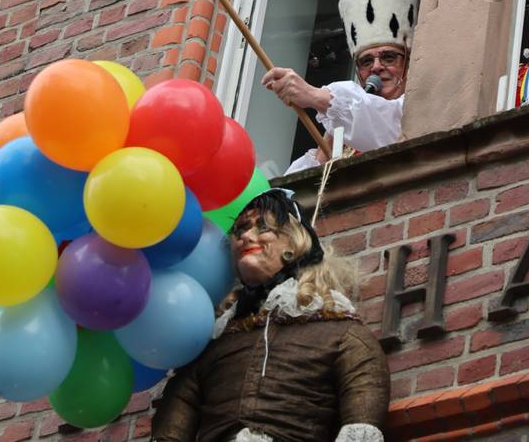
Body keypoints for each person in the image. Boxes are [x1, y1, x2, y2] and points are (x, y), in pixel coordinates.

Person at [151, 189, 390, 442]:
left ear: (293, 243)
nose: (246, 236)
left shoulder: (341, 333)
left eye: (262, 227)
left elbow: (363, 418)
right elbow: (170, 432)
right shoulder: (211, 346)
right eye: (240, 229)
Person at [260, 0, 418, 173]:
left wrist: (314, 96)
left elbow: (384, 123)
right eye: (366, 61)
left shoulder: (414, 108)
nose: (376, 67)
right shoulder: (344, 124)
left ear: (408, 63)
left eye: (388, 57)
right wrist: (322, 152)